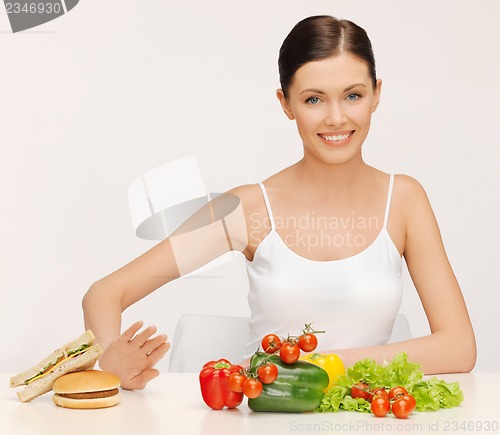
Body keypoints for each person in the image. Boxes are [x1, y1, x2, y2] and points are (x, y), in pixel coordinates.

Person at [82, 15, 476, 390]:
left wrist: (326, 365)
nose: (336, 117)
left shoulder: (404, 200)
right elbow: (105, 292)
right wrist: (109, 360)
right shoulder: (248, 209)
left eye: (353, 95)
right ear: (285, 104)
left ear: (376, 95)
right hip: (267, 416)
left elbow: (458, 346)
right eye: (313, 100)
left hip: (365, 417)